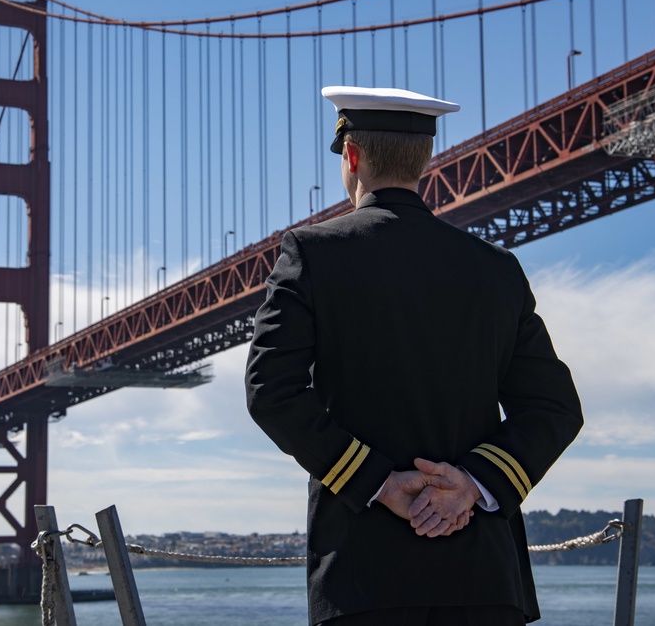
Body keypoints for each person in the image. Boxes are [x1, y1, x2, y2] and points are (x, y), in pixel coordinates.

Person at [244, 86, 583, 625]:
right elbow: (556, 408)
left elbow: (272, 391)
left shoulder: (310, 253)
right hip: (485, 583)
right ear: (425, 161)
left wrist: (379, 483)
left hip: (362, 581)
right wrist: (471, 485)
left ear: (351, 156)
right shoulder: (497, 269)